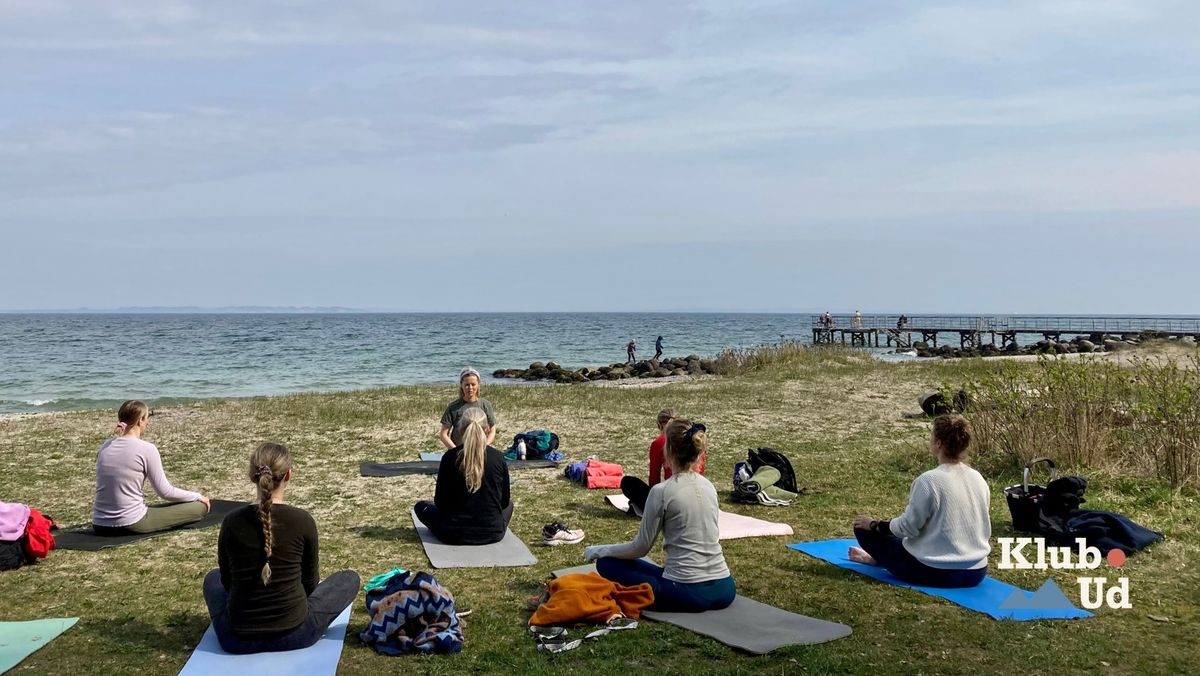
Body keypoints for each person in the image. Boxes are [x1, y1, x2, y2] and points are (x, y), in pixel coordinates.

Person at [203, 443, 359, 653]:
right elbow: (310, 583)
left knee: (212, 577)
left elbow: (228, 582)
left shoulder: (231, 522)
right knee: (349, 578)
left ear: (252, 477)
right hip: (296, 633)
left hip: (236, 638)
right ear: (288, 476)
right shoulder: (302, 521)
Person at [586, 418, 735, 612]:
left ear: (668, 449)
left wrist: (598, 550)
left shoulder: (662, 491)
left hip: (687, 593)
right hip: (725, 589)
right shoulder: (709, 486)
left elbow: (640, 548)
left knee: (607, 563)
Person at [849, 414, 991, 588]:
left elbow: (907, 528)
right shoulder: (978, 478)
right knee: (901, 542)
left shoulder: (928, 481)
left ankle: (882, 559)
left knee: (861, 528)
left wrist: (874, 525)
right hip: (976, 571)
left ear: (938, 443)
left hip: (935, 571)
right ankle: (879, 559)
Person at [92, 400, 211, 535]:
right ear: (140, 420)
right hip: (131, 523)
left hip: (99, 524)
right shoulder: (146, 449)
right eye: (147, 418)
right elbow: (165, 492)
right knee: (199, 507)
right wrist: (198, 496)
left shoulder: (105, 447)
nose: (148, 423)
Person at [415, 408, 512, 545]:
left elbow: (440, 502)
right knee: (510, 506)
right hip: (492, 532)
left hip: (452, 533)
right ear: (487, 430)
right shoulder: (497, 458)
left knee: (421, 507)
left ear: (460, 430)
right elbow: (504, 502)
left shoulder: (449, 458)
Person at [620, 407, 707, 513]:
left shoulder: (660, 442)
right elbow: (701, 472)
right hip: (699, 496)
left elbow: (654, 480)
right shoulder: (694, 438)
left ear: (659, 425)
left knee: (628, 482)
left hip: (674, 497)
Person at [439, 367, 496, 450]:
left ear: (478, 385)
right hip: (459, 449)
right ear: (461, 385)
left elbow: (492, 430)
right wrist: (455, 450)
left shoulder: (485, 405)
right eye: (467, 385)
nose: (470, 388)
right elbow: (443, 434)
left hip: (480, 449)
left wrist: (485, 446)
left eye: (473, 384)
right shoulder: (453, 407)